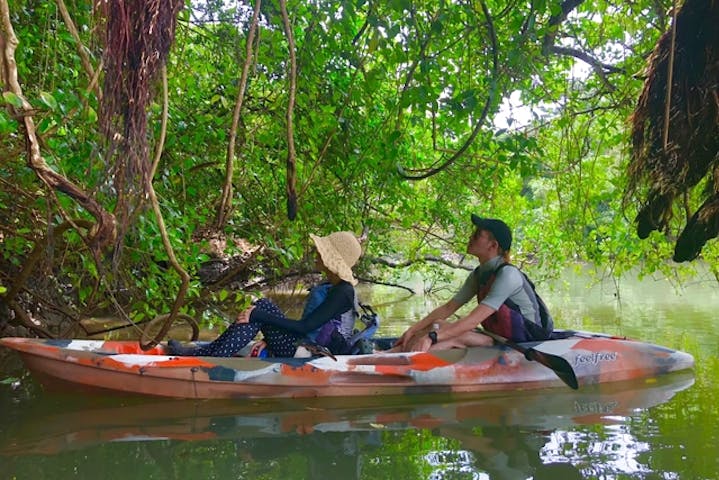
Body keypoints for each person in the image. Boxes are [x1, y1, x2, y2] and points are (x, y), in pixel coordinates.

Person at [167, 231, 362, 357]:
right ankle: (208, 351)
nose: (316, 253)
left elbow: (305, 327)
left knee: (260, 311)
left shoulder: (343, 291)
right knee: (262, 305)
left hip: (313, 355)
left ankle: (208, 355)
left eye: (321, 252)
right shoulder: (334, 285)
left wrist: (259, 317)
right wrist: (267, 337)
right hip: (304, 346)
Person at [393, 214, 553, 352]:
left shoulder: (508, 274)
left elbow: (473, 320)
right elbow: (449, 308)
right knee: (437, 324)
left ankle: (407, 360)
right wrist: (413, 330)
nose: (470, 238)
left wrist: (432, 338)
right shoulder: (478, 274)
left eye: (477, 235)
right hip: (497, 337)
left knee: (456, 335)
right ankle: (390, 353)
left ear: (493, 245)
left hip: (526, 340)